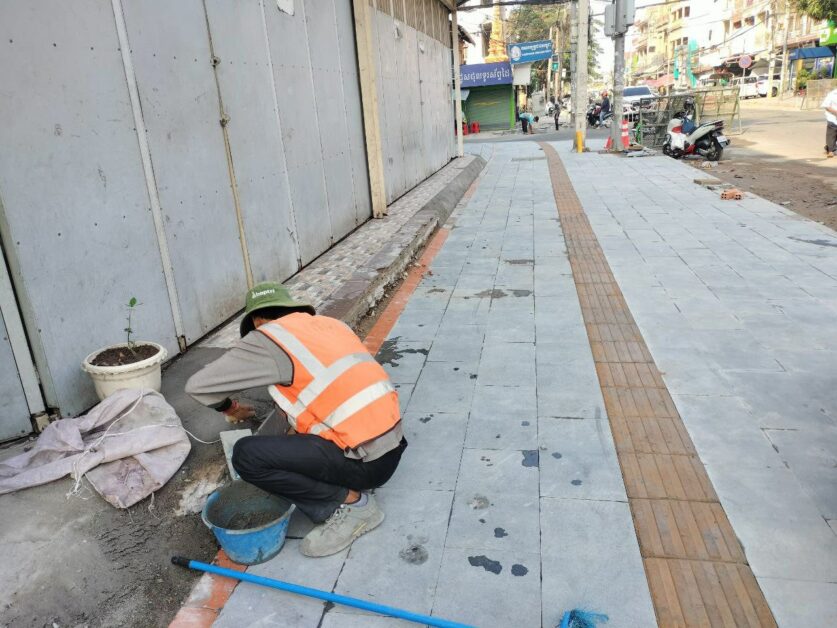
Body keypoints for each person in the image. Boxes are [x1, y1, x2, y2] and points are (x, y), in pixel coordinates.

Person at [185, 282, 406, 557]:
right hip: (392, 446)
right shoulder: (331, 325)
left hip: (366, 465)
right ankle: (348, 482)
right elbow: (325, 394)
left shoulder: (268, 337)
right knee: (289, 438)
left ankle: (355, 506)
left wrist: (230, 408)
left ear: (258, 321)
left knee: (246, 456)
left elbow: (198, 386)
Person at [822, 86, 837, 158]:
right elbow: (826, 106)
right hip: (832, 118)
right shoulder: (832, 94)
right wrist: (835, 112)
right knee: (831, 134)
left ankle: (828, 147)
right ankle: (831, 151)